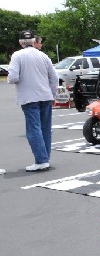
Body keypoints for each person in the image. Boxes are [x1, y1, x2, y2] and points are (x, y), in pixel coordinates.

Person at [7, 30, 58, 172]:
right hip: (45, 95)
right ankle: (45, 158)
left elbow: (13, 77)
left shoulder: (17, 55)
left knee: (33, 129)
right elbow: (54, 78)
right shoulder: (43, 55)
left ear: (20, 42)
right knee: (45, 128)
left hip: (29, 97)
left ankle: (41, 160)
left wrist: (12, 80)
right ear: (34, 41)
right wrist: (52, 95)